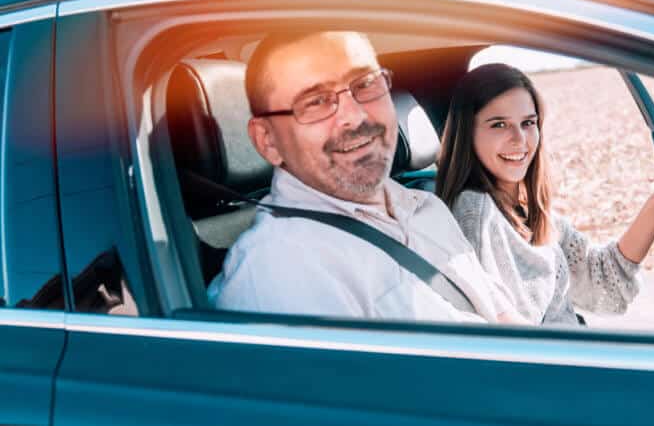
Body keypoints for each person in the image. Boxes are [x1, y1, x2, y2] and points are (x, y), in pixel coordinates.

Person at [208, 31, 527, 324]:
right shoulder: (281, 271)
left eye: (365, 85)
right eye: (315, 101)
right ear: (268, 140)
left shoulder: (424, 205)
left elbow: (501, 316)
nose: (356, 116)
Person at [436, 62, 654, 330]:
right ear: (468, 132)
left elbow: (602, 282)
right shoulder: (476, 213)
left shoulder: (526, 209)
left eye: (528, 123)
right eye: (499, 124)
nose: (520, 140)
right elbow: (519, 345)